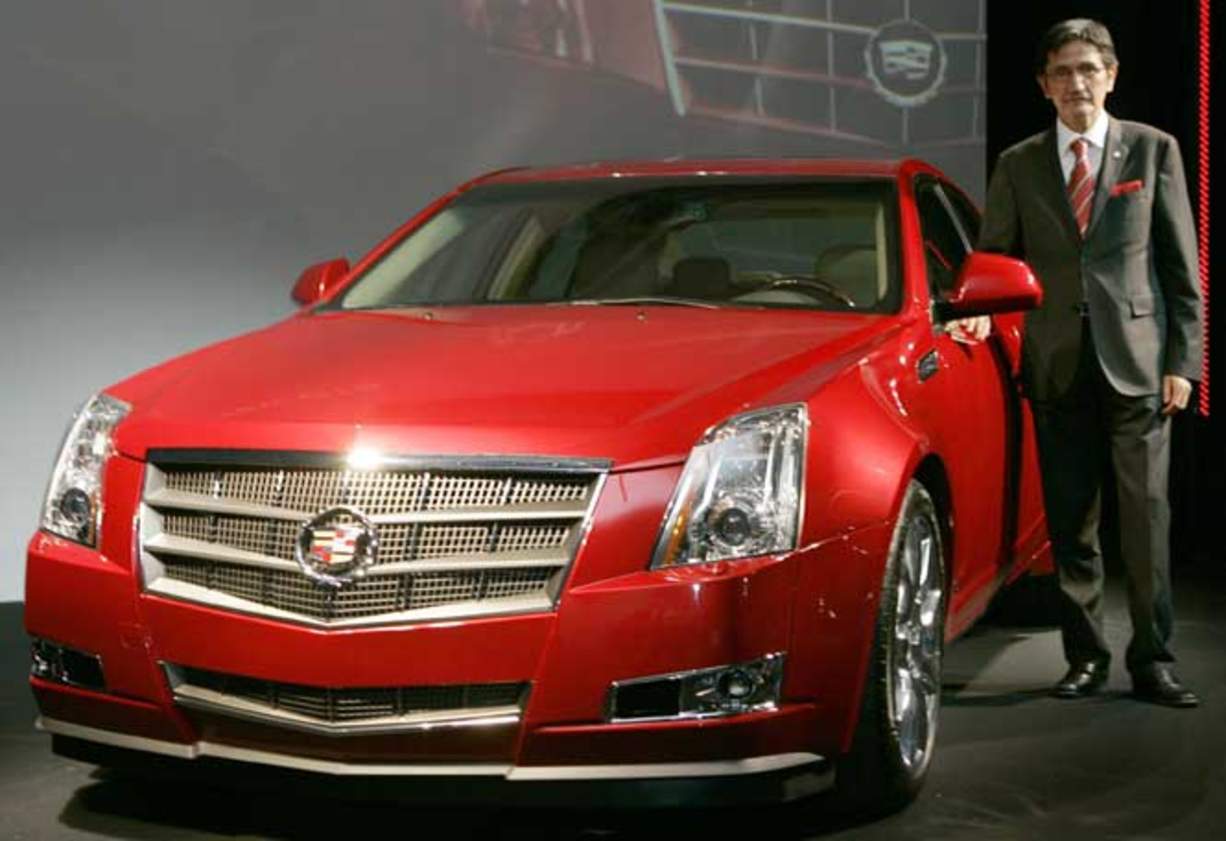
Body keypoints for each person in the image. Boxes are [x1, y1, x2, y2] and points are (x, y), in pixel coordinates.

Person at [977, 18, 1203, 707]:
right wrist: (977, 310)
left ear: (1111, 75)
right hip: (1055, 362)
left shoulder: (1153, 150)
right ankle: (1084, 657)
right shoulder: (1019, 163)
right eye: (1063, 72)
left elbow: (1180, 266)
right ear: (1044, 86)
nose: (1077, 82)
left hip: (1138, 363)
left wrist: (1184, 362)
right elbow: (995, 259)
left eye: (1089, 69)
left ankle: (1153, 658)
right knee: (1072, 523)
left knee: (1146, 519)